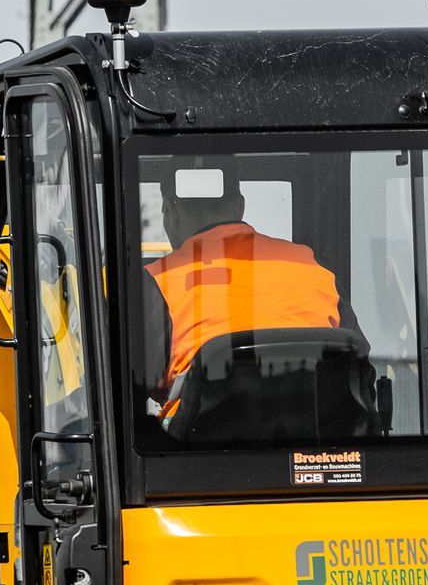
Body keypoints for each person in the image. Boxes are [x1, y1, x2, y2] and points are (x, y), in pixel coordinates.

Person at [143, 163, 371, 436]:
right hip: (322, 452)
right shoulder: (314, 270)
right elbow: (361, 377)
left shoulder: (158, 281)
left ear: (172, 212)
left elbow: (127, 389)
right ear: (239, 206)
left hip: (199, 461)